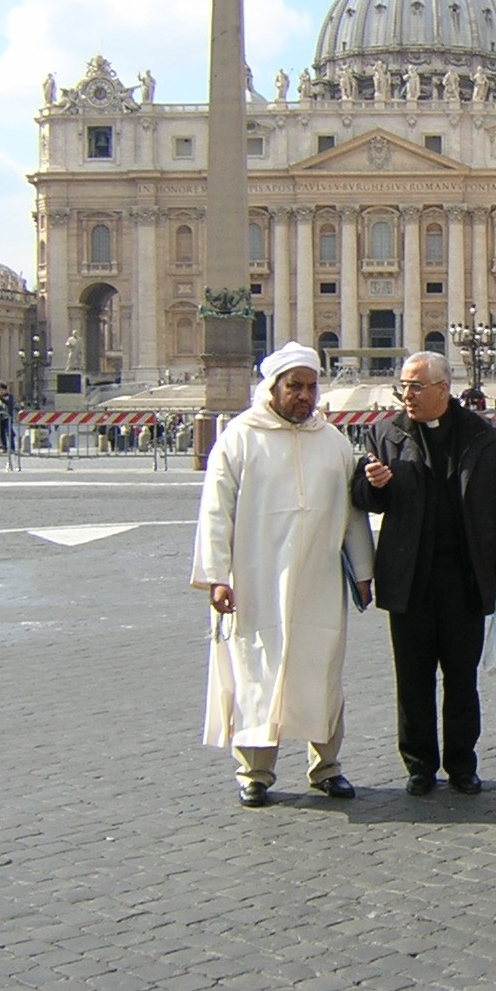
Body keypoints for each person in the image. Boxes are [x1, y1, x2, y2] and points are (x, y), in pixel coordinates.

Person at [191, 343, 375, 807]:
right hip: (256, 579)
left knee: (323, 672)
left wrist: (364, 572)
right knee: (257, 673)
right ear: (272, 387)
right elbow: (216, 512)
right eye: (295, 387)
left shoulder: (332, 441)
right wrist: (216, 576)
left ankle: (327, 767)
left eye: (311, 387)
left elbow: (353, 513)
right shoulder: (238, 437)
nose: (304, 396)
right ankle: (255, 771)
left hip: (318, 580)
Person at [351, 351, 496, 796]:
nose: (406, 395)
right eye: (403, 387)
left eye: (415, 387)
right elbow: (365, 500)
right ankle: (419, 764)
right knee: (412, 678)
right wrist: (373, 484)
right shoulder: (385, 433)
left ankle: (463, 763)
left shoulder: (484, 436)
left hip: (464, 574)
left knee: (461, 679)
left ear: (443, 390)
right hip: (410, 576)